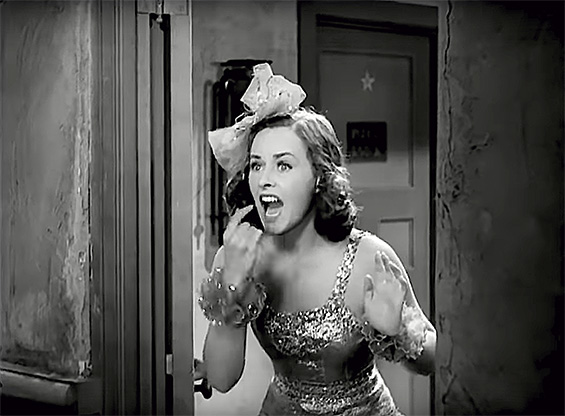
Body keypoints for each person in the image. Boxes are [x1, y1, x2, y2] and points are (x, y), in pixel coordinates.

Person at [198, 63, 436, 416]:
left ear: (320, 178)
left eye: (283, 165)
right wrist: (231, 286)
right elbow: (221, 379)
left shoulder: (368, 257)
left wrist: (398, 329)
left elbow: (433, 361)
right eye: (257, 165)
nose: (264, 179)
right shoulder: (237, 257)